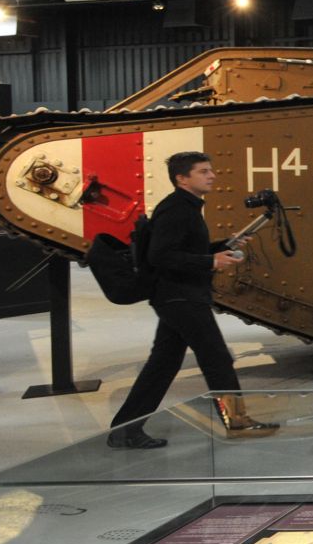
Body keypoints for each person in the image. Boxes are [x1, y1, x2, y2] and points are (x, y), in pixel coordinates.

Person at [107, 151, 274, 449]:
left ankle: (124, 430)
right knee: (216, 358)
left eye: (210, 170)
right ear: (182, 178)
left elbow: (183, 250)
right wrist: (210, 262)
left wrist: (223, 246)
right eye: (203, 171)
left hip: (177, 296)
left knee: (163, 364)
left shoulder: (186, 207)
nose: (211, 176)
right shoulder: (177, 210)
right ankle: (237, 422)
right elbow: (161, 256)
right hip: (180, 297)